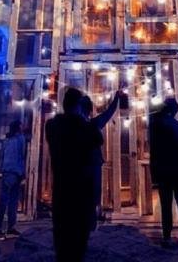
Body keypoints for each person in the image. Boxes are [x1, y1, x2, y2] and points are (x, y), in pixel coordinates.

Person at [45, 88, 102, 262]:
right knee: (79, 242)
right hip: (82, 191)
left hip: (61, 189)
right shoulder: (86, 128)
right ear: (79, 105)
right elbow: (97, 140)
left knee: (62, 240)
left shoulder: (52, 125)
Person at [149, 97, 178, 248]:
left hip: (164, 171)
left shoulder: (155, 126)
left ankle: (167, 237)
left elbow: (154, 152)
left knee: (166, 205)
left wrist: (154, 173)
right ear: (174, 110)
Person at [80, 91, 120, 229]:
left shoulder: (81, 125)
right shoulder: (92, 124)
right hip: (91, 164)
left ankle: (87, 223)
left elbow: (108, 113)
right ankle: (89, 223)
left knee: (87, 194)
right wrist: (116, 98)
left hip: (87, 165)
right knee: (92, 194)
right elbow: (109, 113)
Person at [0, 120, 27, 240]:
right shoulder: (20, 138)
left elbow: (3, 155)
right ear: (19, 127)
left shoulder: (7, 139)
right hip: (16, 171)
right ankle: (7, 227)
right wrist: (22, 172)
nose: (24, 126)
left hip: (7, 171)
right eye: (22, 125)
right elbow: (21, 156)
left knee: (5, 201)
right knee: (12, 201)